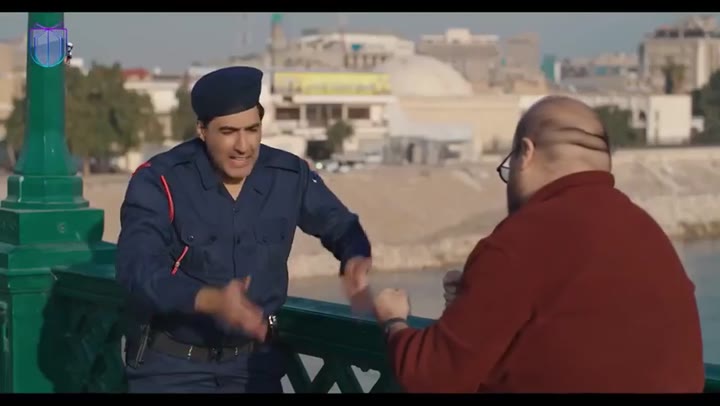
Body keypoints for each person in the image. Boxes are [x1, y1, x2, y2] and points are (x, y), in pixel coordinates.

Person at [372, 95, 706, 393]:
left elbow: (432, 377)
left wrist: (393, 320)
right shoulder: (649, 233)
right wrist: (474, 300)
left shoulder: (520, 240)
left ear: (526, 153)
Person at [116, 66, 373, 393]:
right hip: (172, 368)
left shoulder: (288, 175)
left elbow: (339, 224)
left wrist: (355, 256)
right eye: (228, 132)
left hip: (254, 368)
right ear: (202, 130)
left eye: (252, 130)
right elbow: (136, 270)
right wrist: (212, 300)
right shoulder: (159, 181)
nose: (243, 145)